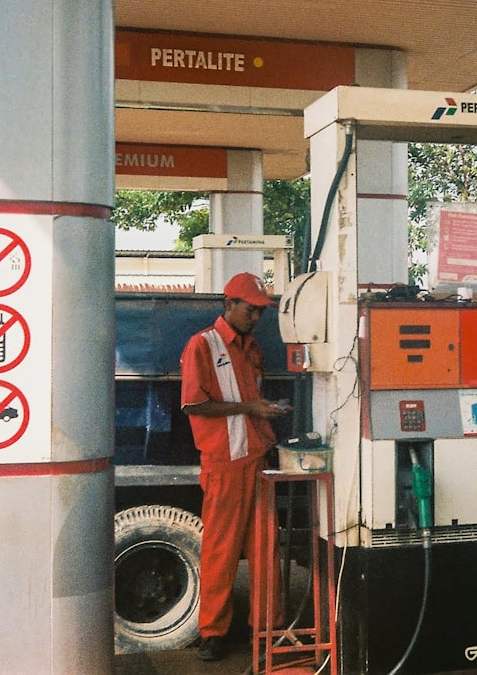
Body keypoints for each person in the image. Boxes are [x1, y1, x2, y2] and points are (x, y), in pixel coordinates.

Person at [180, 272, 288, 662]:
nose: (256, 316)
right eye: (250, 308)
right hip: (224, 463)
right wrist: (251, 407)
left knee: (265, 548)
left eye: (260, 310)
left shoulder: (252, 347)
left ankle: (268, 629)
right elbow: (194, 404)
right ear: (229, 304)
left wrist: (261, 411)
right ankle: (212, 633)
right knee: (220, 551)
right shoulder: (202, 345)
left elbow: (246, 398)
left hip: (256, 458)